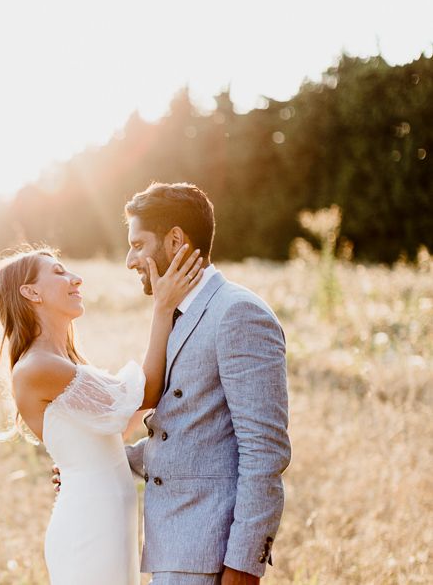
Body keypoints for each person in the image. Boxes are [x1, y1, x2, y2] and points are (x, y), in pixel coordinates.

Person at [54, 182, 291, 585]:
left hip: (211, 554)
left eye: (138, 244)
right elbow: (194, 431)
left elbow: (264, 451)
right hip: (171, 546)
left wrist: (243, 567)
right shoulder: (180, 313)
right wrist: (106, 462)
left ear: (176, 240)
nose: (130, 260)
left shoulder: (238, 313)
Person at [0, 242, 204, 585]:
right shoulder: (38, 366)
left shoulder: (65, 362)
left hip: (109, 516)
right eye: (59, 273)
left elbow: (124, 421)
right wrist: (163, 308)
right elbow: (142, 395)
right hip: (88, 523)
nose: (76, 279)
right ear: (31, 292)